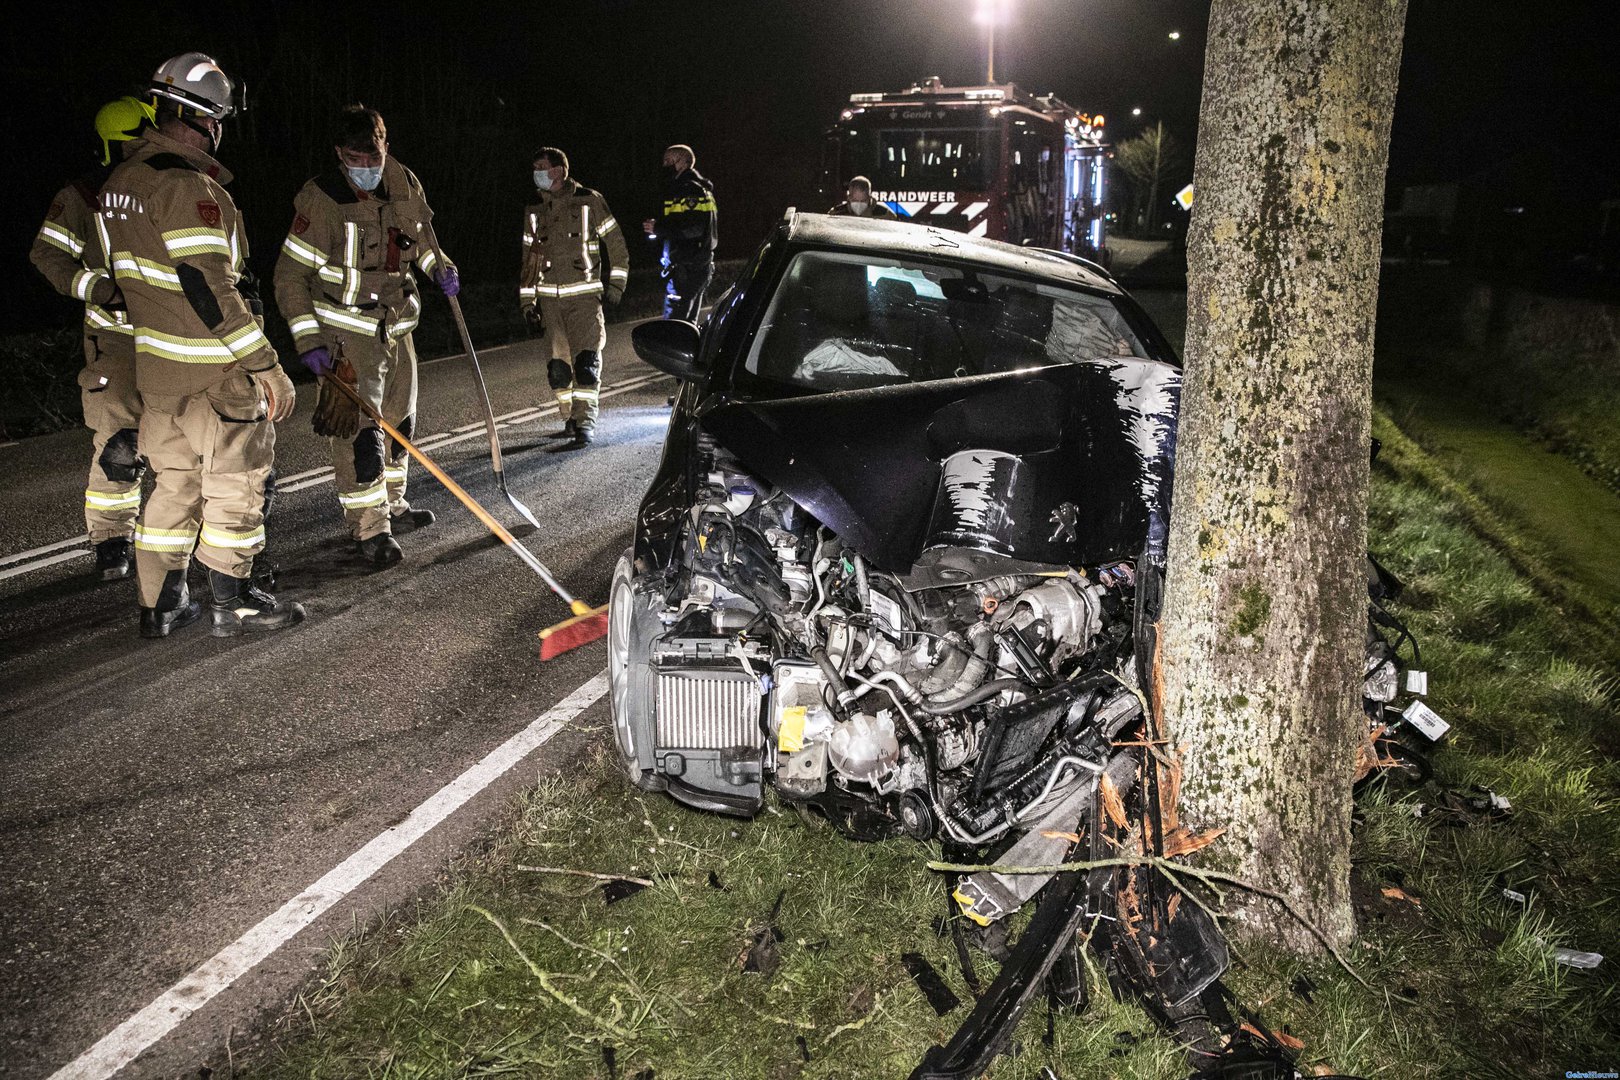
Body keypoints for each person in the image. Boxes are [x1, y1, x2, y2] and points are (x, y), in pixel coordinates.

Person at [100, 52, 303, 637]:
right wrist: (267, 364)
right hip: (215, 372)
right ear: (208, 119)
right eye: (220, 122)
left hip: (157, 372)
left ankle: (159, 607)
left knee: (172, 488)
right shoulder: (187, 187)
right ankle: (233, 602)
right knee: (236, 484)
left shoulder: (123, 182)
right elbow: (208, 287)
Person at [274, 105, 456, 566]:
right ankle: (368, 527)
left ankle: (393, 505)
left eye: (373, 157)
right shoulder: (322, 200)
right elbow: (289, 277)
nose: (368, 169)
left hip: (397, 327)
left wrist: (442, 269)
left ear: (385, 145)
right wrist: (308, 341)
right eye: (357, 160)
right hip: (345, 334)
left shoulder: (403, 182)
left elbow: (424, 242)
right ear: (340, 154)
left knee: (400, 423)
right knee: (359, 435)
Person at [29, 96, 156, 582]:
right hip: (117, 340)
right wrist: (99, 288)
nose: (137, 150)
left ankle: (187, 540)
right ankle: (111, 540)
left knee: (185, 442)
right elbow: (48, 255)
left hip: (176, 339)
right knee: (121, 445)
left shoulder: (166, 185)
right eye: (131, 142)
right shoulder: (83, 196)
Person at [519, 147, 629, 450]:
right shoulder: (534, 210)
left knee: (587, 363)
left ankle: (585, 423)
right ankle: (569, 416)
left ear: (559, 171)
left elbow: (616, 244)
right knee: (558, 370)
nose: (536, 173)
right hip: (549, 302)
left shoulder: (589, 201)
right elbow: (528, 260)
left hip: (584, 299)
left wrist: (616, 285)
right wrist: (527, 303)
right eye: (534, 167)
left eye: (542, 167)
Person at [643, 144, 716, 321]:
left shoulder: (689, 190)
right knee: (686, 324)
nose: (665, 166)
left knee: (673, 324)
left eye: (669, 161)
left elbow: (694, 228)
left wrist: (658, 228)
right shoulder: (697, 188)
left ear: (683, 162)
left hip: (687, 266)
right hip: (696, 264)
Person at [827, 176, 897, 220]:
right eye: (855, 200)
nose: (859, 204)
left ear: (870, 198)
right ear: (849, 198)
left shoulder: (885, 215)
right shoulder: (835, 214)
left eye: (863, 201)